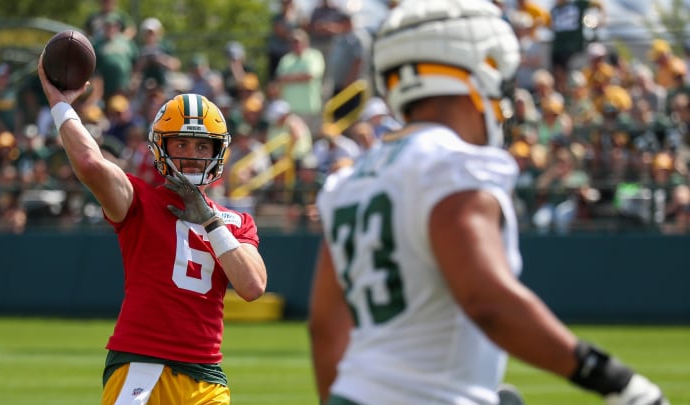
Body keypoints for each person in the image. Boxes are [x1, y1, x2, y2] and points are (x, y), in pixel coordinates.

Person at [307, 1, 669, 405]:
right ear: (477, 72)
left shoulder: (351, 178)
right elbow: (488, 301)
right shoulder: (454, 164)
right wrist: (611, 378)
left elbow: (325, 327)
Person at [37, 54, 267, 404]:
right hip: (140, 364)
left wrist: (209, 220)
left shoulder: (235, 221)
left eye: (203, 145)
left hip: (206, 374)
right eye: (182, 143)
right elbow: (89, 163)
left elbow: (252, 286)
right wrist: (59, 105)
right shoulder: (139, 200)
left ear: (218, 151)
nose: (193, 155)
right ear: (163, 147)